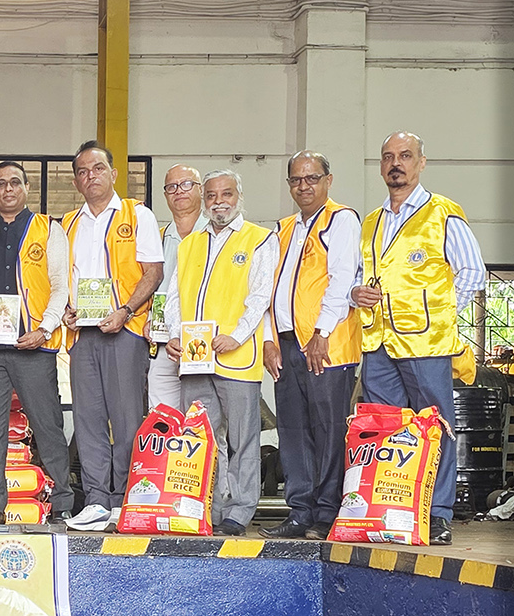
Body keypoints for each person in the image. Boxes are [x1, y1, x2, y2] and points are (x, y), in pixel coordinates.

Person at [354, 131, 488, 545]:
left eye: (406, 156)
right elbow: (363, 275)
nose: (397, 163)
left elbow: (473, 272)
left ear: (421, 163)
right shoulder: (372, 221)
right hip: (378, 343)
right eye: (389, 157)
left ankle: (439, 513)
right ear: (380, 166)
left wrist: (440, 317)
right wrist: (355, 293)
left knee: (436, 424)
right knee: (386, 430)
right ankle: (393, 508)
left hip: (427, 345)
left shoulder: (443, 212)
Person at [0, 161, 74, 525]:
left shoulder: (48, 230)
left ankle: (62, 502)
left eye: (14, 183)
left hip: (34, 348)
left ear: (26, 188)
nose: (7, 189)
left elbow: (60, 288)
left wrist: (44, 328)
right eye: (0, 184)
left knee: (47, 424)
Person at [165, 171, 279, 536]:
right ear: (204, 199)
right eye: (212, 195)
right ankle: (207, 508)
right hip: (195, 358)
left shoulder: (260, 240)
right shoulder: (189, 244)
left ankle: (240, 510)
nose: (219, 201)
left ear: (239, 196)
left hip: (236, 355)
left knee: (243, 438)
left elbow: (261, 297)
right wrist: (174, 334)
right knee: (201, 437)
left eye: (226, 193)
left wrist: (238, 335)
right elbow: (174, 298)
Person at [60, 141, 165, 531]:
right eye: (83, 172)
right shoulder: (68, 224)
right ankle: (97, 500)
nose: (91, 177)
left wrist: (125, 311)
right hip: (82, 335)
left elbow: (153, 272)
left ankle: (124, 499)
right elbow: (62, 281)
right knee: (87, 420)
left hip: (125, 331)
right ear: (76, 181)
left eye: (98, 169)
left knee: (126, 419)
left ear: (113, 174)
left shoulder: (137, 215)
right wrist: (68, 311)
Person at [261, 151, 362, 540]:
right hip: (285, 345)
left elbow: (340, 280)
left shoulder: (341, 219)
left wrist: (320, 333)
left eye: (312, 178)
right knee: (292, 429)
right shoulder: (283, 229)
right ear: (289, 185)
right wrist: (269, 339)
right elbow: (266, 290)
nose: (304, 186)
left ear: (328, 180)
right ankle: (300, 511)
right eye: (296, 180)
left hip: (327, 344)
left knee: (328, 428)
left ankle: (327, 514)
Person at [150, 164, 204, 411]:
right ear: (165, 195)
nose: (179, 191)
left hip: (206, 343)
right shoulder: (157, 238)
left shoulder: (219, 234)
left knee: (207, 424)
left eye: (186, 184)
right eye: (171, 187)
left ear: (200, 190)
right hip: (163, 343)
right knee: (162, 419)